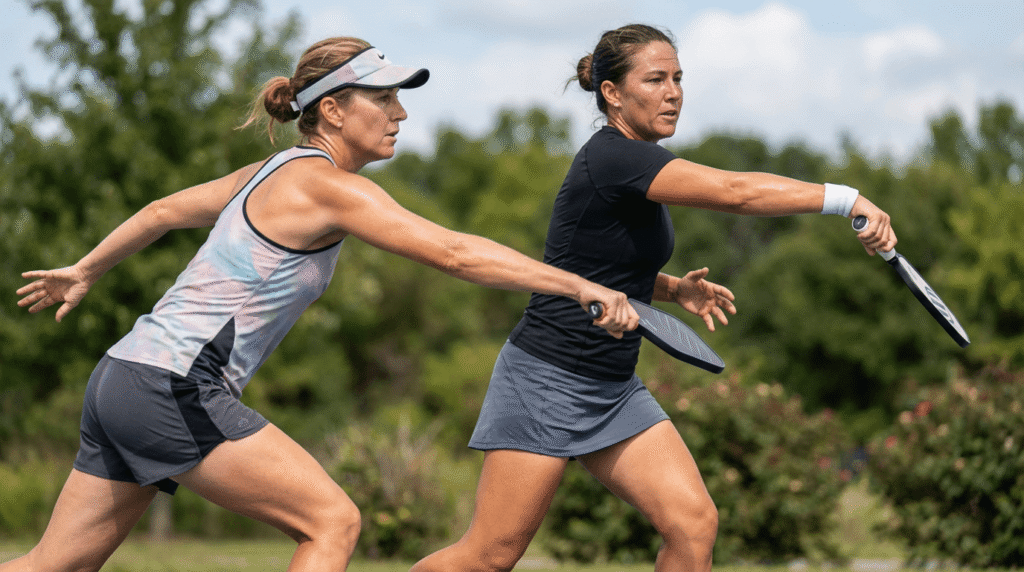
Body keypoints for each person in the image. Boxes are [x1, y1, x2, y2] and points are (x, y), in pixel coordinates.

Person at [4, 36, 639, 572]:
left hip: (124, 377)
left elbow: (164, 211)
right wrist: (576, 284)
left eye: (400, 99)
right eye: (384, 98)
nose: (401, 114)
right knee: (332, 521)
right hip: (174, 385)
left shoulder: (268, 170)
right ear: (332, 110)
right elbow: (452, 252)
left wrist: (86, 269)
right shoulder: (325, 185)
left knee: (54, 564)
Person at [411, 24, 897, 572]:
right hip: (547, 378)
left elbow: (595, 260)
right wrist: (846, 198)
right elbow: (734, 194)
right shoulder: (616, 158)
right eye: (656, 79)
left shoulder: (639, 159)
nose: (673, 92)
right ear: (613, 93)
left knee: (693, 525)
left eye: (679, 79)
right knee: (490, 555)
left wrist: (670, 288)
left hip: (613, 384)